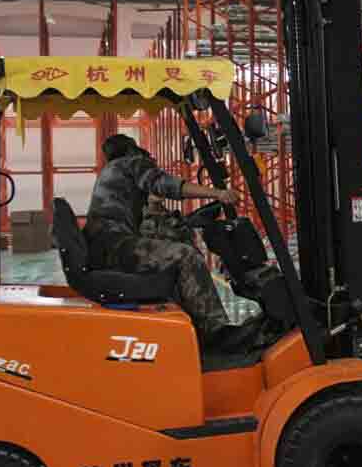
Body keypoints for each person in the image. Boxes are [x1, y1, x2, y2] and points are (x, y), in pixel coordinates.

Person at [84, 134, 247, 351]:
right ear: (132, 150)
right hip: (115, 246)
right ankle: (217, 333)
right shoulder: (130, 163)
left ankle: (197, 329)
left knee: (172, 253)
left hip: (107, 246)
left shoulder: (112, 171)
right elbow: (165, 184)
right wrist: (218, 193)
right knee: (186, 256)